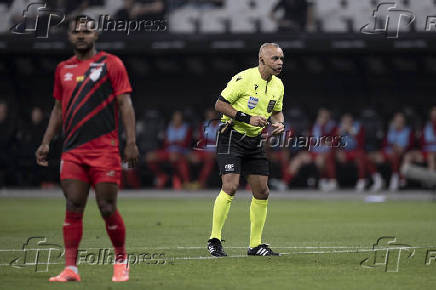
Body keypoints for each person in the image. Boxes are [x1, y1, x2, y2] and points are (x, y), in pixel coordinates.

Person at [35, 16, 139, 282]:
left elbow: (125, 104)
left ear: (96, 36)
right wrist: (47, 141)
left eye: (86, 31)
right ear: (70, 36)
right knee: (73, 204)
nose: (81, 35)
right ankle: (71, 268)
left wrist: (131, 142)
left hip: (105, 149)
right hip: (72, 151)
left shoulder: (111, 64)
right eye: (76, 32)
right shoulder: (63, 69)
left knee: (106, 206)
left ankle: (120, 260)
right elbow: (58, 109)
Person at [207, 43, 285, 257]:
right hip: (231, 136)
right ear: (262, 60)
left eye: (281, 59)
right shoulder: (244, 79)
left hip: (254, 141)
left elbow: (277, 112)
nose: (279, 63)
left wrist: (279, 124)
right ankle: (214, 239)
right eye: (275, 59)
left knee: (262, 191)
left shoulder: (278, 85)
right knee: (230, 186)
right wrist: (247, 118)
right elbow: (220, 104)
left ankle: (255, 245)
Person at [335, 113, 382, 191]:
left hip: (357, 151)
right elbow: (334, 143)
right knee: (330, 155)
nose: (346, 123)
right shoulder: (339, 128)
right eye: (345, 121)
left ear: (352, 121)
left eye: (349, 121)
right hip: (344, 152)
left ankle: (362, 180)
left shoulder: (358, 127)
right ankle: (330, 181)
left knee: (362, 157)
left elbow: (361, 143)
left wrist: (352, 132)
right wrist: (338, 135)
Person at [145, 110, 192, 189]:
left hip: (182, 152)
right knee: (150, 157)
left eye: (179, 117)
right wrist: (176, 142)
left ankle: (185, 181)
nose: (177, 119)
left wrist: (173, 142)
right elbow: (165, 144)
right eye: (175, 117)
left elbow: (185, 144)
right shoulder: (168, 127)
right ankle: (161, 176)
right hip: (169, 152)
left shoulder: (187, 128)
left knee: (177, 158)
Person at [370, 112, 413, 191]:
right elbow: (384, 145)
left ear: (403, 122)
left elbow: (410, 146)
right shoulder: (390, 131)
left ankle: (395, 179)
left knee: (395, 156)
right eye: (396, 121)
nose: (398, 123)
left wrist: (400, 149)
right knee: (370, 157)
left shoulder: (408, 131)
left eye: (400, 121)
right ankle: (378, 180)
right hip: (388, 152)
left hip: (400, 153)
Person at [189, 108, 220, 189]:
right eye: (208, 115)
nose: (210, 117)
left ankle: (201, 182)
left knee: (209, 160)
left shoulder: (221, 125)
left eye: (212, 115)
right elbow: (201, 141)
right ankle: (188, 182)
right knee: (191, 157)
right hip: (205, 150)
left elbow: (222, 142)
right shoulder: (203, 125)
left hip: (217, 151)